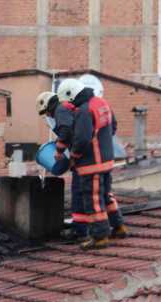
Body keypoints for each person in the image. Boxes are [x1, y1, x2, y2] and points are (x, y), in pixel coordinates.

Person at [56, 79, 128, 250]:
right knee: (105, 195)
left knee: (93, 199)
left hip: (91, 163)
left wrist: (74, 156)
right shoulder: (102, 103)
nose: (69, 105)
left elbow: (81, 139)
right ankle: (118, 226)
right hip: (106, 160)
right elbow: (113, 127)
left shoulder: (84, 110)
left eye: (68, 101)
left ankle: (100, 236)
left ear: (71, 95)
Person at [36, 91, 87, 241]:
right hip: (83, 156)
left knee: (78, 192)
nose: (49, 116)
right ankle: (91, 227)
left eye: (46, 112)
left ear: (48, 106)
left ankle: (80, 230)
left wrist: (59, 150)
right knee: (87, 191)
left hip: (83, 159)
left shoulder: (61, 109)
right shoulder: (66, 109)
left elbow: (66, 130)